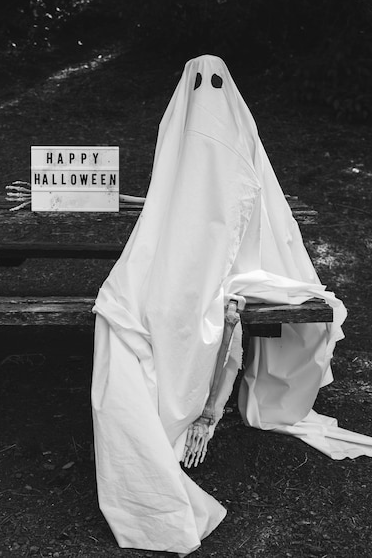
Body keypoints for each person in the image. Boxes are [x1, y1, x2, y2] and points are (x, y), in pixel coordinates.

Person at [91, 55, 372, 555]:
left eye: (214, 83)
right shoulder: (185, 131)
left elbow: (252, 212)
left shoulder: (229, 136)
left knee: (181, 315)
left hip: (220, 269)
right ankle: (171, 424)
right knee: (137, 312)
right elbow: (170, 200)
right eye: (199, 83)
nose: (207, 93)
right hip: (173, 264)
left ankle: (190, 414)